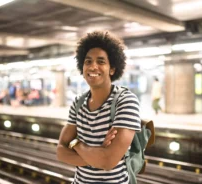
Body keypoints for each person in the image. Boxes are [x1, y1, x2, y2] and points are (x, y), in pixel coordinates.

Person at [56, 31, 141, 184]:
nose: (93, 66)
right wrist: (97, 156)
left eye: (101, 62)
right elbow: (61, 151)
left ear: (112, 69)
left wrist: (77, 144)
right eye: (88, 62)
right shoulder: (78, 102)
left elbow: (108, 161)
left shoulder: (125, 101)